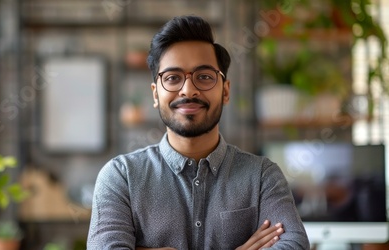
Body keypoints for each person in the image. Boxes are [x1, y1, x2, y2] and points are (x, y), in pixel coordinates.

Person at [87, 15, 310, 250]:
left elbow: (293, 245)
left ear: (225, 91)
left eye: (204, 77)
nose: (188, 90)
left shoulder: (263, 177)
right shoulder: (121, 177)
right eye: (172, 78)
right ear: (155, 94)